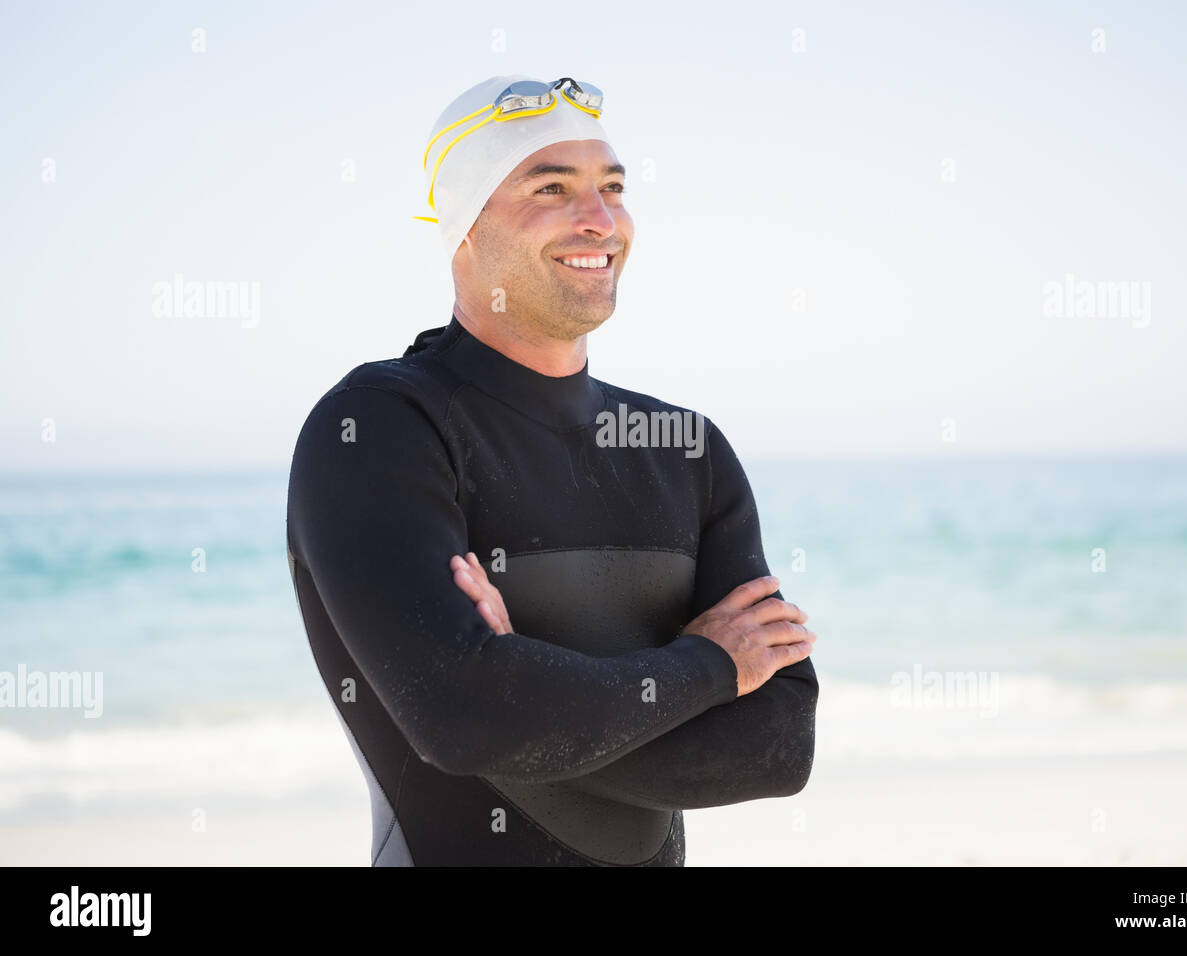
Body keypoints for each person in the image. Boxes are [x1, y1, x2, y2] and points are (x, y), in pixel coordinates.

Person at [285, 74, 819, 866]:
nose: (600, 219)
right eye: (551, 188)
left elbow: (778, 749)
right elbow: (464, 715)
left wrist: (528, 700)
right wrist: (711, 665)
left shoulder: (682, 447)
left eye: (612, 187)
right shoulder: (380, 429)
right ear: (466, 224)